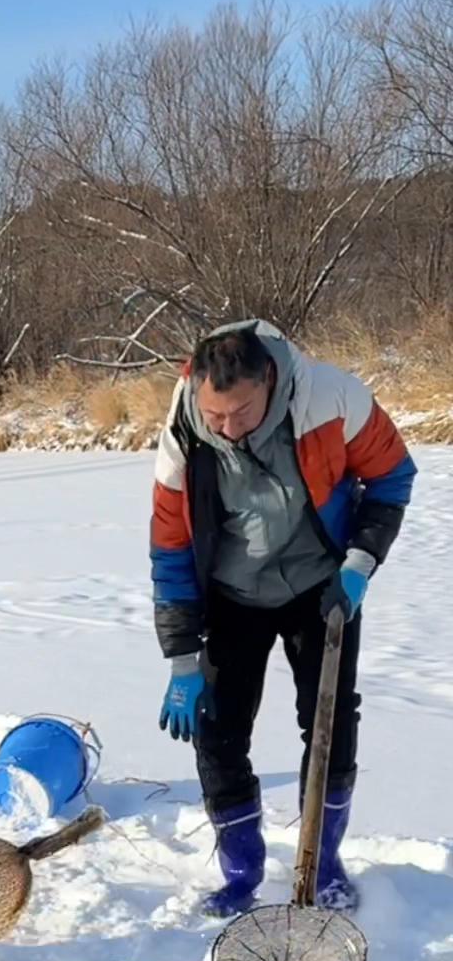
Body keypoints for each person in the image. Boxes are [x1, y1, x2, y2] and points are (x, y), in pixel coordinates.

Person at [151, 319, 415, 915]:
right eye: (215, 415)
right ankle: (241, 871)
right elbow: (170, 545)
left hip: (322, 588)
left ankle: (320, 866)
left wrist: (360, 562)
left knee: (328, 722)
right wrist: (181, 657)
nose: (227, 428)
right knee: (217, 730)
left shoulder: (330, 396)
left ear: (268, 379)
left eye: (241, 413)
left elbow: (393, 475)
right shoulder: (184, 430)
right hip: (231, 594)